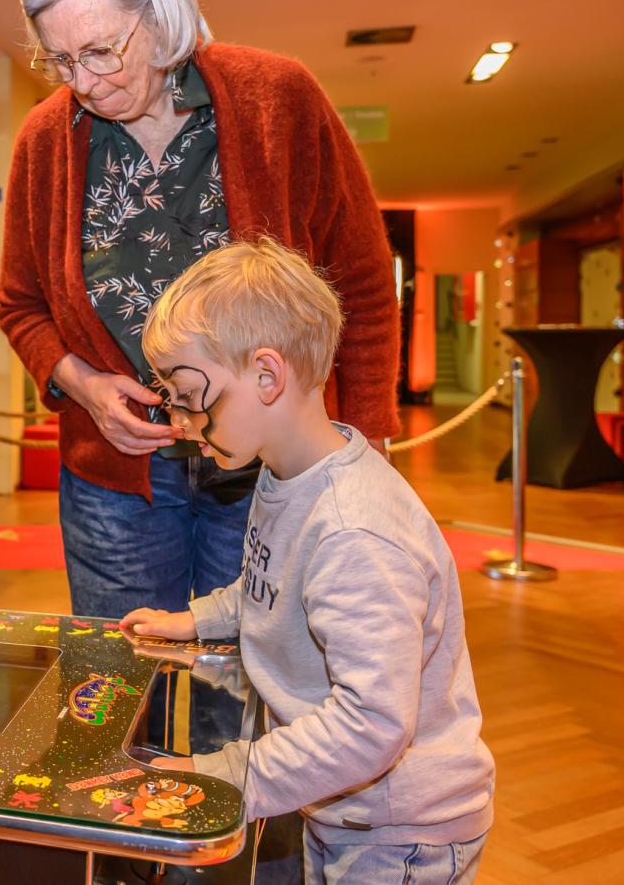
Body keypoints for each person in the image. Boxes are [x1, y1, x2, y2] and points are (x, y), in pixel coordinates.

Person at [0, 0, 399, 619]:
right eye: (59, 60)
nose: (82, 81)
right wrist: (84, 387)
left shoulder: (278, 98)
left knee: (249, 670)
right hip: (116, 480)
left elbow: (362, 284)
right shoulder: (44, 140)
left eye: (100, 51)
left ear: (158, 14)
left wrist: (365, 444)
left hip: (271, 468)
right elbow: (20, 305)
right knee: (119, 672)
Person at [122, 240, 494, 884]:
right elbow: (269, 581)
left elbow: (371, 722)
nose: (181, 420)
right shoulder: (285, 474)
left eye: (188, 395)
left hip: (399, 832)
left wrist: (228, 776)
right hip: (343, 805)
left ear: (267, 376)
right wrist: (202, 619)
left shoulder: (353, 531)